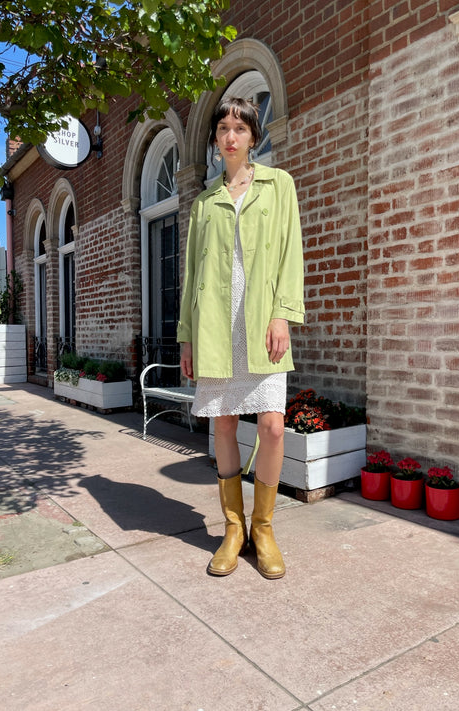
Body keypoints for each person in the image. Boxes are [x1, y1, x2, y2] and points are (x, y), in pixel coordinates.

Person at [177, 96, 304, 579]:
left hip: (260, 321)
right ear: (215, 138)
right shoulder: (204, 203)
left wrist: (282, 316)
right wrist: (187, 338)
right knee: (225, 426)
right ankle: (234, 529)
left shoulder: (279, 186)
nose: (231, 136)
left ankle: (264, 527)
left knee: (272, 425)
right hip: (214, 323)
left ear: (254, 136)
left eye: (240, 128)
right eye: (223, 128)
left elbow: (290, 253)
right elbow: (191, 277)